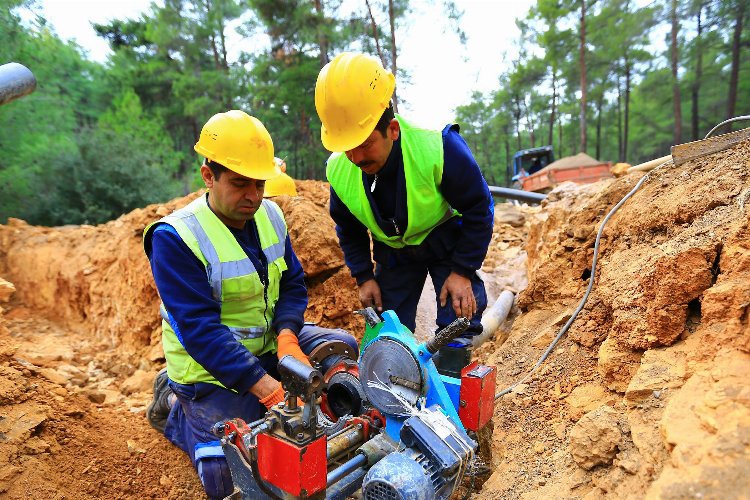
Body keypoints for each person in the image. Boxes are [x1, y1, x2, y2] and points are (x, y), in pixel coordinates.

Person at [143, 110, 357, 500]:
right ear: (209, 175)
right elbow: (200, 332)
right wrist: (269, 390)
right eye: (241, 184)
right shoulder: (175, 238)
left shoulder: (270, 214)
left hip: (266, 345)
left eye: (259, 184)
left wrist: (288, 338)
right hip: (209, 370)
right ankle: (175, 406)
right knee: (231, 470)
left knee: (342, 352)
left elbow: (292, 283)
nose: (254, 196)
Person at [314, 52, 494, 376]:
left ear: (393, 130)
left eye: (365, 144)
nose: (355, 156)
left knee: (459, 317)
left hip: (442, 238)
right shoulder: (340, 171)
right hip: (394, 252)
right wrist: (363, 276)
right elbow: (349, 228)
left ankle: (450, 388)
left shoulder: (438, 147)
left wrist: (463, 271)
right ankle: (394, 393)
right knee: (387, 329)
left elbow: (479, 208)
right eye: (347, 146)